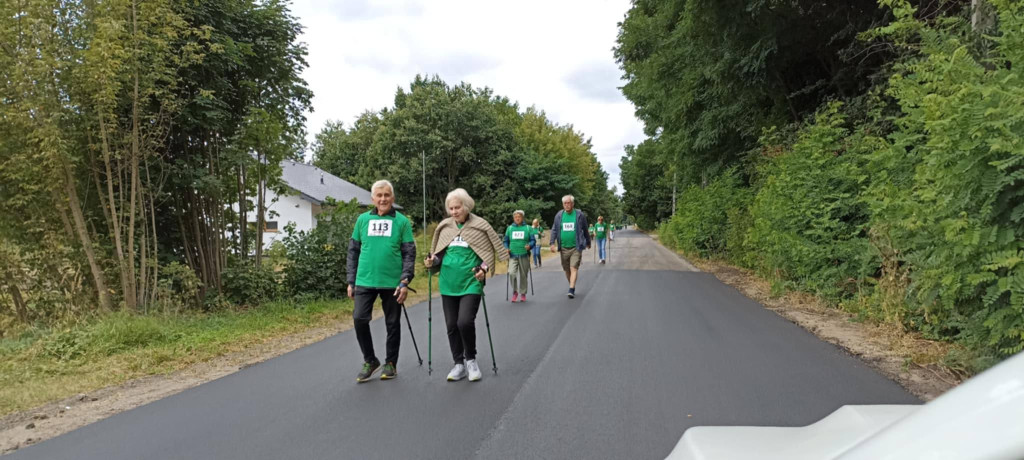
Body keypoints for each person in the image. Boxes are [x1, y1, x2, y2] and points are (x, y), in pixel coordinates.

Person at [424, 189, 507, 382]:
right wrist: (432, 261)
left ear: (466, 206)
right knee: (452, 325)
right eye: (451, 208)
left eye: (457, 207)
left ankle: (471, 360)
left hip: (471, 282)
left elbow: (487, 254)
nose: (454, 211)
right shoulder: (445, 227)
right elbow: (438, 255)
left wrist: (484, 269)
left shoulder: (480, 226)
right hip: (447, 283)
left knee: (464, 322)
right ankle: (458, 364)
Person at [347, 180, 416, 383]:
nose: (383, 199)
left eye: (387, 195)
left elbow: (409, 253)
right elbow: (353, 252)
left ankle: (391, 363)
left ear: (392, 198)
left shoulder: (402, 222)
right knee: (359, 319)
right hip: (364, 280)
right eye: (379, 195)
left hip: (392, 282)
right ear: (373, 199)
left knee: (392, 323)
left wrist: (405, 280)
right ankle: (370, 360)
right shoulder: (362, 220)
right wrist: (351, 280)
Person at [549, 195, 591, 298]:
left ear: (573, 204)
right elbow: (554, 229)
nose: (567, 205)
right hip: (563, 247)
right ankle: (572, 285)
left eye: (569, 203)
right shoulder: (559, 215)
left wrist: (588, 241)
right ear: (563, 204)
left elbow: (585, 229)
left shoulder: (579, 215)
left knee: (574, 268)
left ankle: (571, 289)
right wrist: (552, 243)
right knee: (566, 269)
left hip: (576, 246)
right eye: (565, 203)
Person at [503, 210, 536, 302]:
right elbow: (505, 241)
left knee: (523, 275)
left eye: (519, 216)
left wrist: (530, 245)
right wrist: (506, 248)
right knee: (512, 273)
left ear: (522, 218)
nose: (517, 218)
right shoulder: (509, 228)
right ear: (513, 218)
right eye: (515, 217)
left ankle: (523, 293)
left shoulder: (528, 228)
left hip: (524, 254)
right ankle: (515, 291)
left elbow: (533, 240)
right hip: (512, 255)